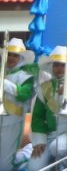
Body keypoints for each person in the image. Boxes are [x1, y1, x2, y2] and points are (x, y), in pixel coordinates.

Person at [28, 45, 67, 171]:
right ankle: (55, 161)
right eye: (56, 65)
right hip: (51, 135)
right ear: (51, 67)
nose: (59, 68)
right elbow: (38, 117)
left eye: (63, 65)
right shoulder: (44, 87)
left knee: (59, 148)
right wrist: (39, 141)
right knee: (34, 167)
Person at [0, 38, 35, 171]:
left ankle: (27, 154)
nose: (11, 58)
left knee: (4, 167)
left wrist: (3, 82)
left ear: (21, 58)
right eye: (9, 54)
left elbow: (23, 95)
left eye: (15, 55)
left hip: (13, 123)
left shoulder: (25, 76)